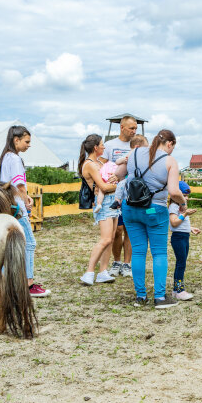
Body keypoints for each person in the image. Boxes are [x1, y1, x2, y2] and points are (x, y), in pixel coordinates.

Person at [121, 129, 187, 309]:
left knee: (139, 252)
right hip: (154, 210)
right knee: (158, 253)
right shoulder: (169, 160)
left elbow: (119, 174)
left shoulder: (134, 151)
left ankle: (140, 296)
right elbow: (174, 191)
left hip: (130, 209)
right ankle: (159, 297)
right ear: (170, 144)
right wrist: (182, 203)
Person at [0, 125, 51, 297]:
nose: (29, 145)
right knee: (29, 243)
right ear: (16, 140)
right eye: (27, 141)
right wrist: (26, 199)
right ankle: (28, 283)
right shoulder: (15, 159)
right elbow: (19, 184)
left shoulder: (5, 157)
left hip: (5, 204)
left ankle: (6, 281)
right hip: (16, 205)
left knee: (9, 245)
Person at [79, 134, 120, 286]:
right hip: (104, 201)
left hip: (112, 200)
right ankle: (89, 272)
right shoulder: (89, 164)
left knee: (111, 238)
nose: (104, 147)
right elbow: (103, 187)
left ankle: (103, 271)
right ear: (95, 147)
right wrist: (121, 185)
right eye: (102, 145)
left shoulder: (99, 162)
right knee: (105, 239)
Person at [102, 116, 138, 277]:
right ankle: (116, 262)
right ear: (122, 127)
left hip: (133, 193)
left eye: (136, 128)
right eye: (131, 128)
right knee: (117, 230)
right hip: (114, 194)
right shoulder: (109, 146)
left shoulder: (138, 145)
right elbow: (101, 166)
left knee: (130, 229)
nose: (134, 131)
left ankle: (127, 264)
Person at [168, 181, 201, 301]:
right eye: (183, 195)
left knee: (182, 263)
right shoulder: (174, 206)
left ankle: (176, 289)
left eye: (186, 196)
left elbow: (181, 224)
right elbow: (174, 222)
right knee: (181, 263)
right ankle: (179, 290)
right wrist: (185, 214)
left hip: (184, 236)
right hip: (178, 238)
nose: (186, 198)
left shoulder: (181, 206)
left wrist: (190, 228)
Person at [110, 135, 149, 210]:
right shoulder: (130, 153)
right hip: (125, 177)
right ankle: (117, 200)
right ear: (137, 147)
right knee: (121, 185)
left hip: (129, 177)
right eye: (145, 148)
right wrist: (123, 160)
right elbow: (117, 162)